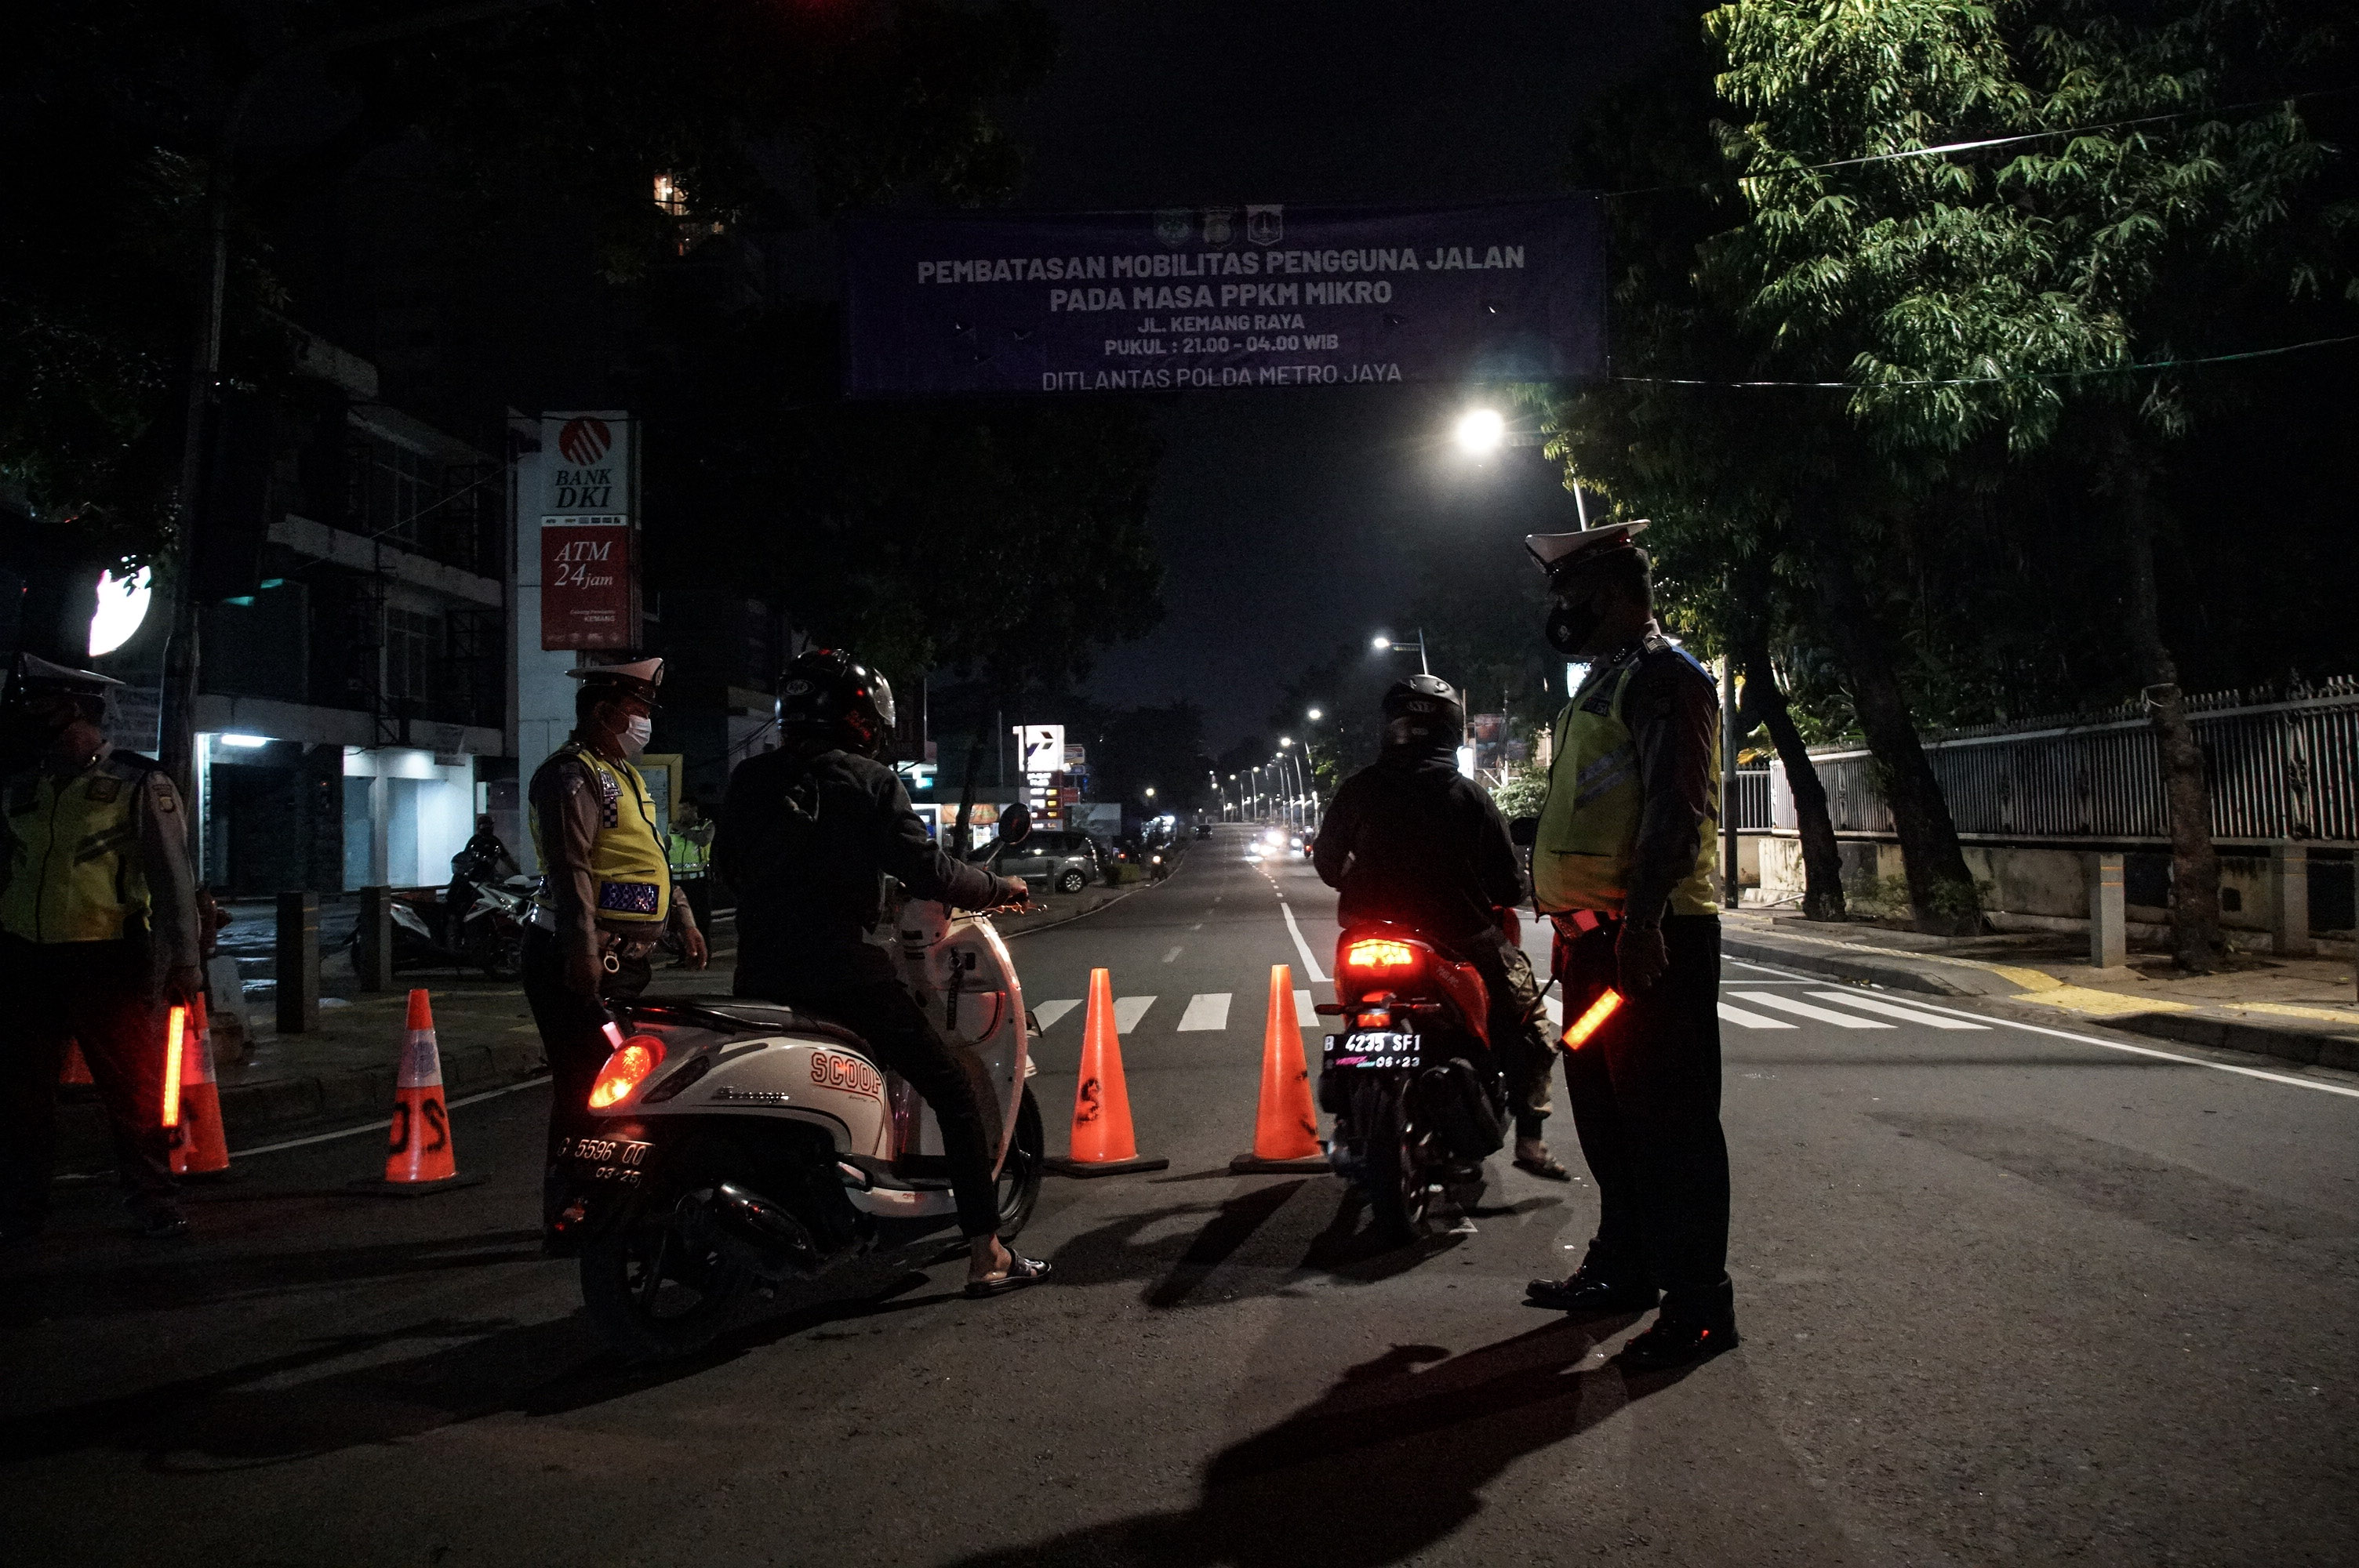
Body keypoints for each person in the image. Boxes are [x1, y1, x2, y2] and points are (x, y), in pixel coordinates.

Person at [714, 648, 1049, 1298]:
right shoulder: (869, 782)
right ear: (861, 717)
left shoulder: (749, 780)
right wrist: (997, 885)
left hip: (758, 972)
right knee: (951, 1088)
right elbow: (930, 871)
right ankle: (988, 1254)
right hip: (844, 973)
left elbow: (729, 871)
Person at [1519, 522, 1737, 1373]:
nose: (1561, 613)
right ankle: (1625, 1267)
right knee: (1609, 1120)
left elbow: (1674, 812)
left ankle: (1697, 1307)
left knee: (1671, 1129)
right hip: (1591, 953)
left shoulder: (1665, 681)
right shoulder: (1602, 685)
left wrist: (1641, 923)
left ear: (1611, 594)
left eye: (1570, 597)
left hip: (1648, 944)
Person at [1310, 673, 1568, 1180]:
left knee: (1354, 1013)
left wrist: (1361, 886)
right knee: (1529, 1030)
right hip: (1461, 938)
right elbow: (1507, 883)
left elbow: (1327, 862)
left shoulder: (1359, 789)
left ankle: (1356, 1108)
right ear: (1452, 731)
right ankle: (1531, 1144)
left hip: (1366, 935)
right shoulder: (1468, 797)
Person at [0, 655, 203, 1243]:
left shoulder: (140, 783)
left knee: (132, 1090)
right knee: (20, 1095)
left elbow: (172, 881)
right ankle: (21, 1208)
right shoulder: (23, 784)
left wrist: (184, 962)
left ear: (80, 711)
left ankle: (153, 1199)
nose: (34, 720)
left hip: (106, 960)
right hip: (26, 958)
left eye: (46, 709)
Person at [523, 658, 707, 1236]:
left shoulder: (622, 774)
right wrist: (580, 953)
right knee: (584, 1088)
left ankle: (609, 1201)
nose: (646, 720)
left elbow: (651, 854)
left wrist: (683, 920)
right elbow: (571, 867)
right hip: (578, 959)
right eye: (638, 709)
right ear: (605, 712)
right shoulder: (569, 775)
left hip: (623, 961)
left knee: (622, 1087)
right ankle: (570, 1211)